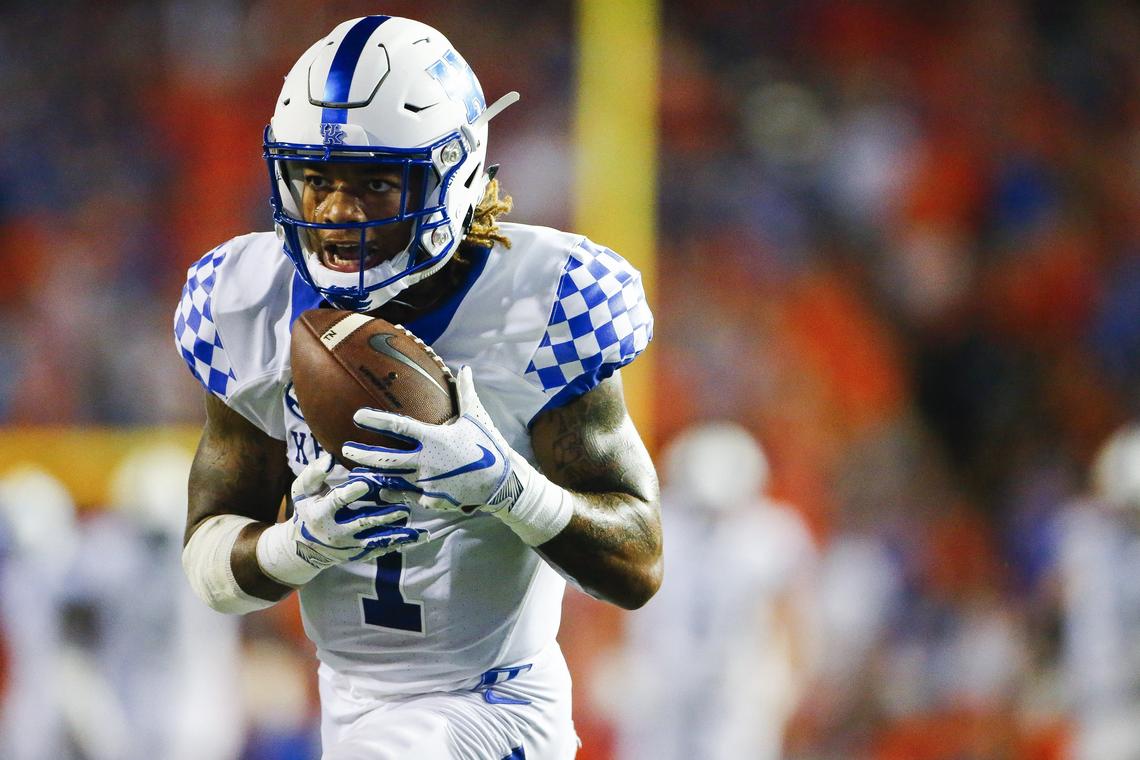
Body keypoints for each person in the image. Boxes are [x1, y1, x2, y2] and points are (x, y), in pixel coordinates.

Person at [173, 15, 660, 760]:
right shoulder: (252, 300)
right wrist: (294, 548)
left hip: (493, 699)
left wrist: (506, 488)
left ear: (456, 173)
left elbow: (636, 565)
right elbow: (211, 569)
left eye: (374, 181)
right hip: (347, 697)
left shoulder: (544, 301)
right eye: (317, 178)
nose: (337, 212)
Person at [616, 422, 818, 760]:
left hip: (739, 684)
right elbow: (612, 600)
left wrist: (791, 678)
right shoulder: (653, 527)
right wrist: (618, 661)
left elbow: (793, 614)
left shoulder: (773, 533)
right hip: (661, 677)